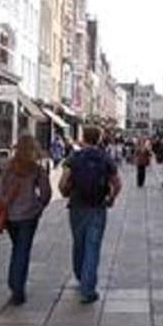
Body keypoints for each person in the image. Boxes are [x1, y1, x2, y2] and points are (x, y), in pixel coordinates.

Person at [59, 126, 122, 304]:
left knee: (79, 243)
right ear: (99, 139)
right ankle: (88, 288)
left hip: (77, 206)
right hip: (97, 206)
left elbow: (64, 180)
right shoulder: (105, 158)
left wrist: (65, 193)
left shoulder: (75, 157)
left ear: (83, 138)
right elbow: (117, 183)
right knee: (92, 247)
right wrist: (111, 198)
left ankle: (81, 277)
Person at [0, 135, 52, 305]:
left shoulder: (6, 166)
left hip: (10, 214)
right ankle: (17, 288)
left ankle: (14, 285)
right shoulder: (36, 169)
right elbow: (46, 193)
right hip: (29, 215)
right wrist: (39, 206)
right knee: (23, 249)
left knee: (17, 247)